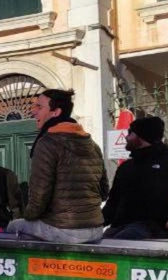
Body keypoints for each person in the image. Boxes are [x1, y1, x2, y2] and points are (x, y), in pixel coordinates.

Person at [7, 89, 108, 244]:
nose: (33, 111)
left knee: (13, 226)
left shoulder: (47, 143)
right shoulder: (92, 145)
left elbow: (39, 197)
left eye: (39, 107)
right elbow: (104, 192)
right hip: (96, 229)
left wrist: (28, 216)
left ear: (56, 112)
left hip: (64, 229)